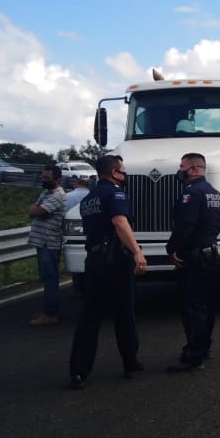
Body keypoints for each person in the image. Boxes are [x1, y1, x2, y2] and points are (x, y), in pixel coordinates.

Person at [68, 155, 148, 389]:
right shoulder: (115, 193)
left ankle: (79, 370)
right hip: (114, 260)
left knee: (89, 316)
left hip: (93, 260)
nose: (125, 174)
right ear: (114, 173)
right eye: (123, 170)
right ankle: (130, 362)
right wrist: (136, 252)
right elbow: (120, 223)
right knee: (124, 313)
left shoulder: (88, 199)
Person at [165, 152, 220, 373]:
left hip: (193, 258)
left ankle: (193, 356)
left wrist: (172, 249)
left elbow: (184, 226)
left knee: (192, 308)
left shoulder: (191, 194)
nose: (179, 170)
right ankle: (204, 347)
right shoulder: (214, 193)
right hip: (210, 254)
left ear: (193, 169)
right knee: (206, 306)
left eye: (181, 166)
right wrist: (207, 239)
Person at [27, 165, 67, 326]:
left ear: (57, 179)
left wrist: (34, 209)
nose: (43, 180)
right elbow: (34, 209)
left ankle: (50, 313)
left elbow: (39, 211)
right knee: (46, 277)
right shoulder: (46, 193)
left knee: (50, 278)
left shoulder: (58, 195)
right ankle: (48, 310)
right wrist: (34, 209)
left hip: (49, 242)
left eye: (47, 178)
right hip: (42, 241)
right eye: (43, 177)